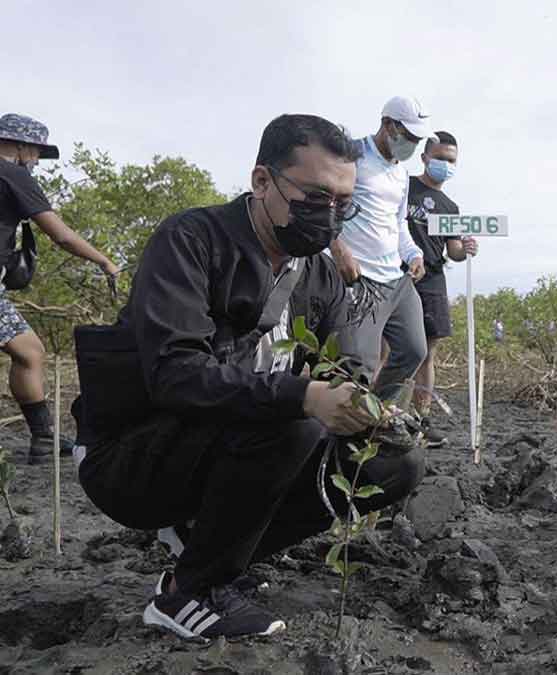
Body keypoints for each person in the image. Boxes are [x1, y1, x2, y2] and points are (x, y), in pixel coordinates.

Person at [72, 114, 426, 641]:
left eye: (343, 203)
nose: (329, 215)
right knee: (293, 419)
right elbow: (176, 376)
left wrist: (365, 410)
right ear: (262, 182)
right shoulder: (192, 240)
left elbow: (345, 367)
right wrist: (305, 395)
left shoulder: (320, 273)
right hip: (130, 456)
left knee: (396, 464)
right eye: (314, 197)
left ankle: (211, 552)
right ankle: (188, 593)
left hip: (231, 444)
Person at [0, 113, 120, 464]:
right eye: (36, 152)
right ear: (21, 146)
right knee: (30, 353)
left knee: (30, 352)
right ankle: (42, 439)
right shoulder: (12, 173)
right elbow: (61, 234)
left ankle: (43, 439)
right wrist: (104, 261)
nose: (37, 160)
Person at [328, 96, 439, 444]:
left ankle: (374, 414)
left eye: (419, 140)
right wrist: (338, 249)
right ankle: (346, 434)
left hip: (396, 276)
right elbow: (327, 207)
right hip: (362, 279)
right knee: (356, 363)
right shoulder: (352, 156)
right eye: (410, 136)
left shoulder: (400, 175)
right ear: (388, 125)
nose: (414, 145)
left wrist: (414, 254)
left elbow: (399, 223)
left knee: (414, 349)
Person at [406, 131, 477, 446]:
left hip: (433, 280)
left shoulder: (450, 207)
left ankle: (421, 421)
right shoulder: (403, 188)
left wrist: (467, 247)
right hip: (398, 275)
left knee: (426, 354)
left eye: (451, 161)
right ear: (424, 157)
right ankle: (386, 416)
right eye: (440, 158)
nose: (445, 165)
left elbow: (454, 252)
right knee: (390, 350)